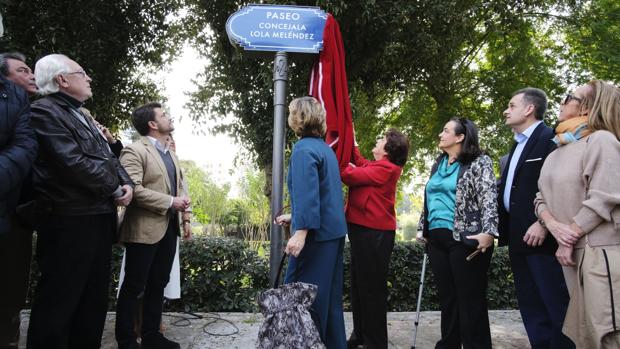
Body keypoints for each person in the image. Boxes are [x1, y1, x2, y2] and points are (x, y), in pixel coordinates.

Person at [26, 53, 134, 349]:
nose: (88, 78)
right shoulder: (44, 112)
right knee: (59, 303)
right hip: (69, 220)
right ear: (61, 80)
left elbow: (109, 157)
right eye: (82, 73)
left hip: (98, 218)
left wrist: (127, 183)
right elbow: (71, 163)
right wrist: (115, 187)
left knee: (93, 303)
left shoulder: (82, 115)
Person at [535, 80, 620, 348]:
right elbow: (539, 198)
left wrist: (568, 235)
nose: (561, 102)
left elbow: (605, 197)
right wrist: (555, 228)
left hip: (599, 251)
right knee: (582, 332)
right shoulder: (559, 148)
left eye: (568, 97)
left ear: (588, 106)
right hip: (570, 251)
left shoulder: (602, 140)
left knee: (606, 332)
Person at [498, 87, 574, 348]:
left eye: (511, 105)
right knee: (531, 309)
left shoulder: (551, 139)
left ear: (529, 109)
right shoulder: (516, 143)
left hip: (543, 239)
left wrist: (543, 223)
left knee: (555, 307)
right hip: (518, 237)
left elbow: (560, 186)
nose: (506, 110)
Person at [115, 102, 190, 349]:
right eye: (164, 114)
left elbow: (176, 187)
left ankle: (151, 337)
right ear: (152, 124)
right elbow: (133, 189)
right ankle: (126, 340)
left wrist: (183, 208)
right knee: (134, 286)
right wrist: (171, 201)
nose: (170, 117)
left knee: (159, 282)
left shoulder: (171, 154)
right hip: (143, 230)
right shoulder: (133, 151)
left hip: (169, 228)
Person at [418, 117, 498, 348]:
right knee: (448, 298)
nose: (440, 135)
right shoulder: (439, 162)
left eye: (445, 131)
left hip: (466, 237)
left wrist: (490, 232)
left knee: (470, 298)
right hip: (436, 239)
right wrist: (423, 228)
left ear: (460, 137)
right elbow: (431, 197)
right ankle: (450, 344)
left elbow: (488, 197)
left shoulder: (479, 161)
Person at [275, 96, 347, 349]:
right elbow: (323, 194)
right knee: (328, 301)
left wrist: (300, 232)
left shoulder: (303, 149)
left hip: (315, 237)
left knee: (305, 301)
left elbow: (308, 194)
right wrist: (295, 216)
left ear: (297, 118)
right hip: (332, 234)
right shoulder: (324, 149)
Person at [341, 128, 409, 349]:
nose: (378, 140)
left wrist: (345, 164)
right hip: (363, 232)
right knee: (360, 288)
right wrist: (350, 137)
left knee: (372, 291)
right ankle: (360, 336)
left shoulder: (388, 169)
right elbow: (359, 161)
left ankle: (375, 343)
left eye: (381, 139)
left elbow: (349, 175)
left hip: (375, 234)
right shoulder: (378, 166)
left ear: (388, 149)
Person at [0, 53, 37, 349]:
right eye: (23, 70)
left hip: (16, 214)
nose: (32, 75)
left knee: (11, 293)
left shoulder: (28, 107)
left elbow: (24, 148)